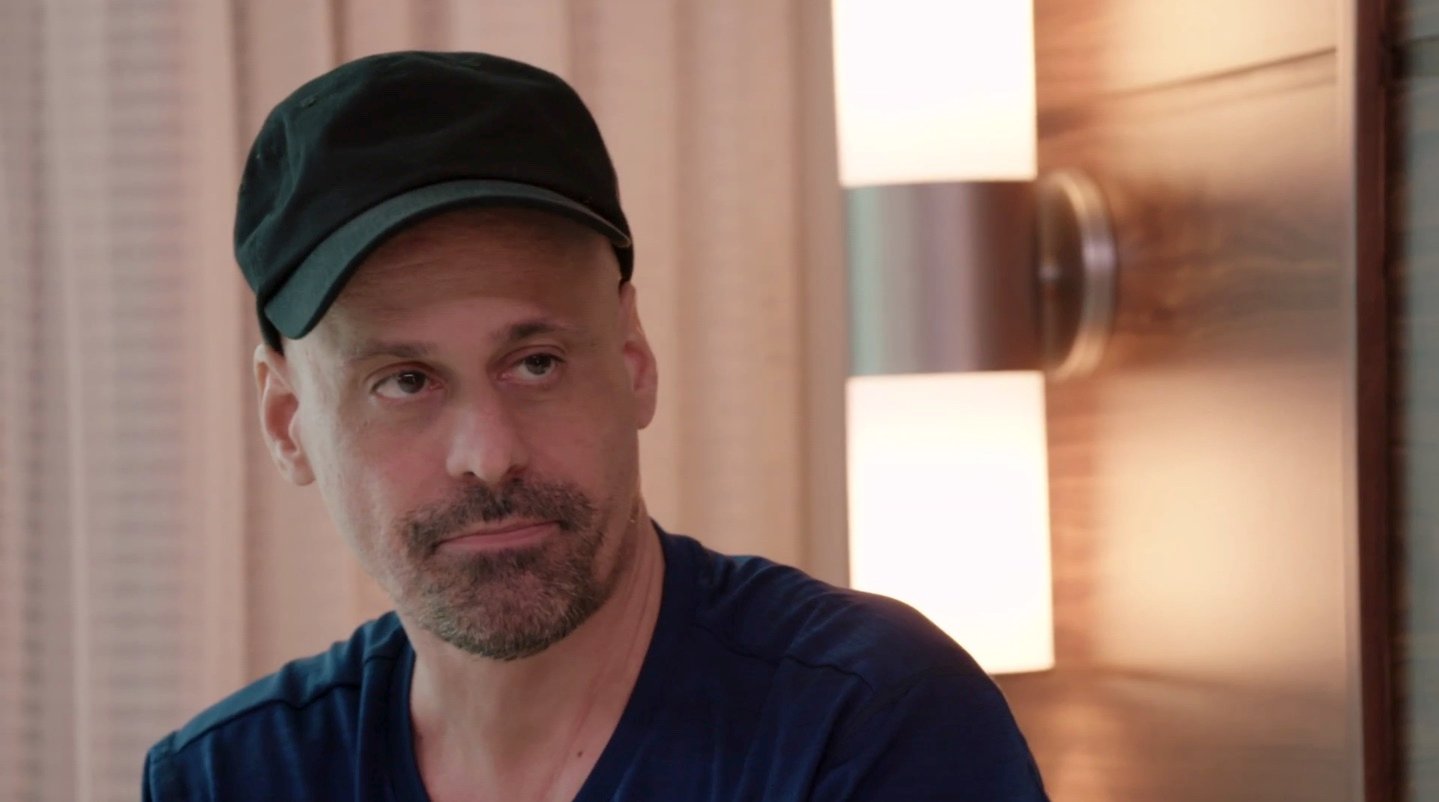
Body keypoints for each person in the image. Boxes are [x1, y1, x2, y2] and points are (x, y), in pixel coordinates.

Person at [141, 50, 1049, 801]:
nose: (489, 454)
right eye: (405, 381)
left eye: (535, 363)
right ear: (287, 421)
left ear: (633, 360)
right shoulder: (228, 778)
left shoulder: (869, 722)